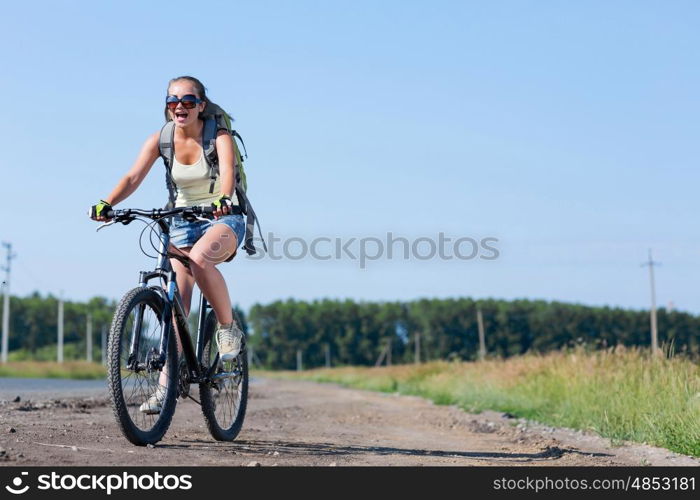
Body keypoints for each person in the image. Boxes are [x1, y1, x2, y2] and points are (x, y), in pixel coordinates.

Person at [89, 76, 245, 413]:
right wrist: (107, 202)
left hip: (223, 219)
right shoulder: (160, 140)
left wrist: (223, 198)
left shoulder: (218, 136)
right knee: (176, 308)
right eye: (173, 101)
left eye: (188, 101)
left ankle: (227, 329)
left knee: (201, 260)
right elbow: (132, 178)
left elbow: (228, 174)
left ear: (201, 105)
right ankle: (165, 387)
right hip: (181, 224)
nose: (180, 107)